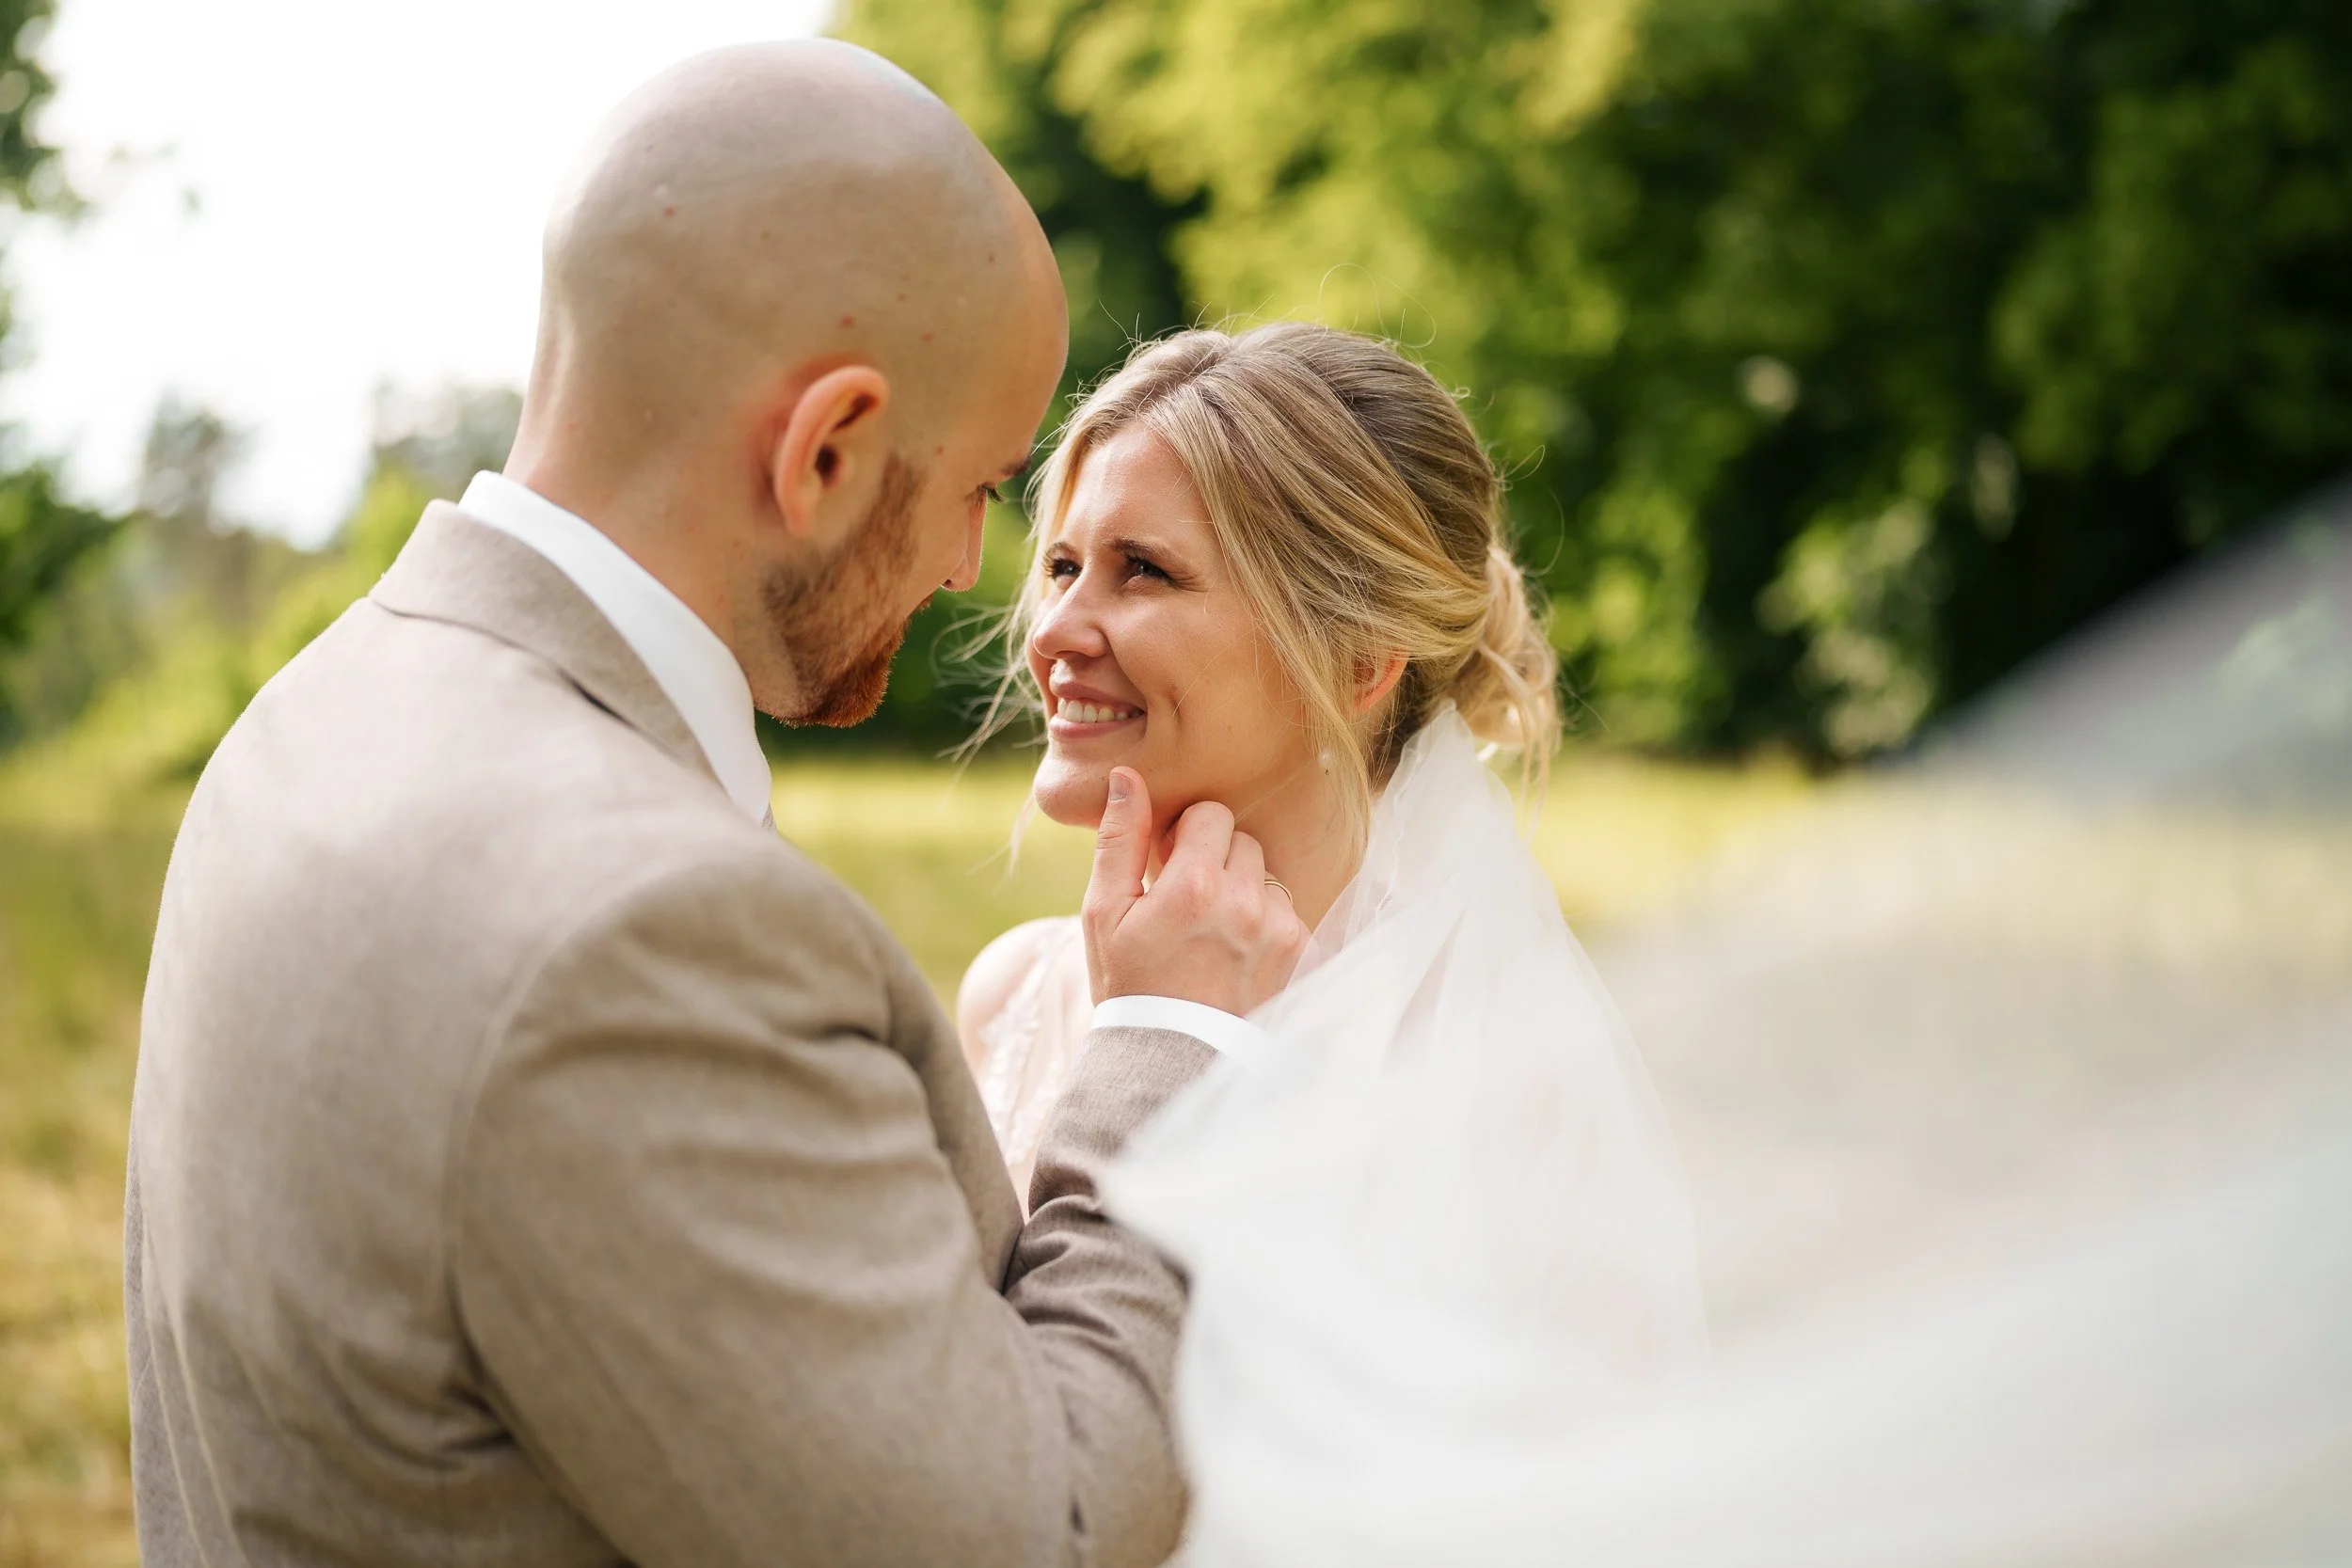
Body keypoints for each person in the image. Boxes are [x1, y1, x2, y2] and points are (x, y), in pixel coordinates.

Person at [123, 41, 1304, 1568]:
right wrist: (1165, 1050)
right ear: (825, 449)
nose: (970, 569)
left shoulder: (316, 711)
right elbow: (1032, 1533)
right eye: (979, 489)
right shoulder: (645, 936)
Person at [958, 322, 1713, 1556]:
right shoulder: (1009, 996)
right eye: (1061, 563)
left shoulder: (1489, 1079)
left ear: (1358, 656)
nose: (1054, 629)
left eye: (1142, 570)